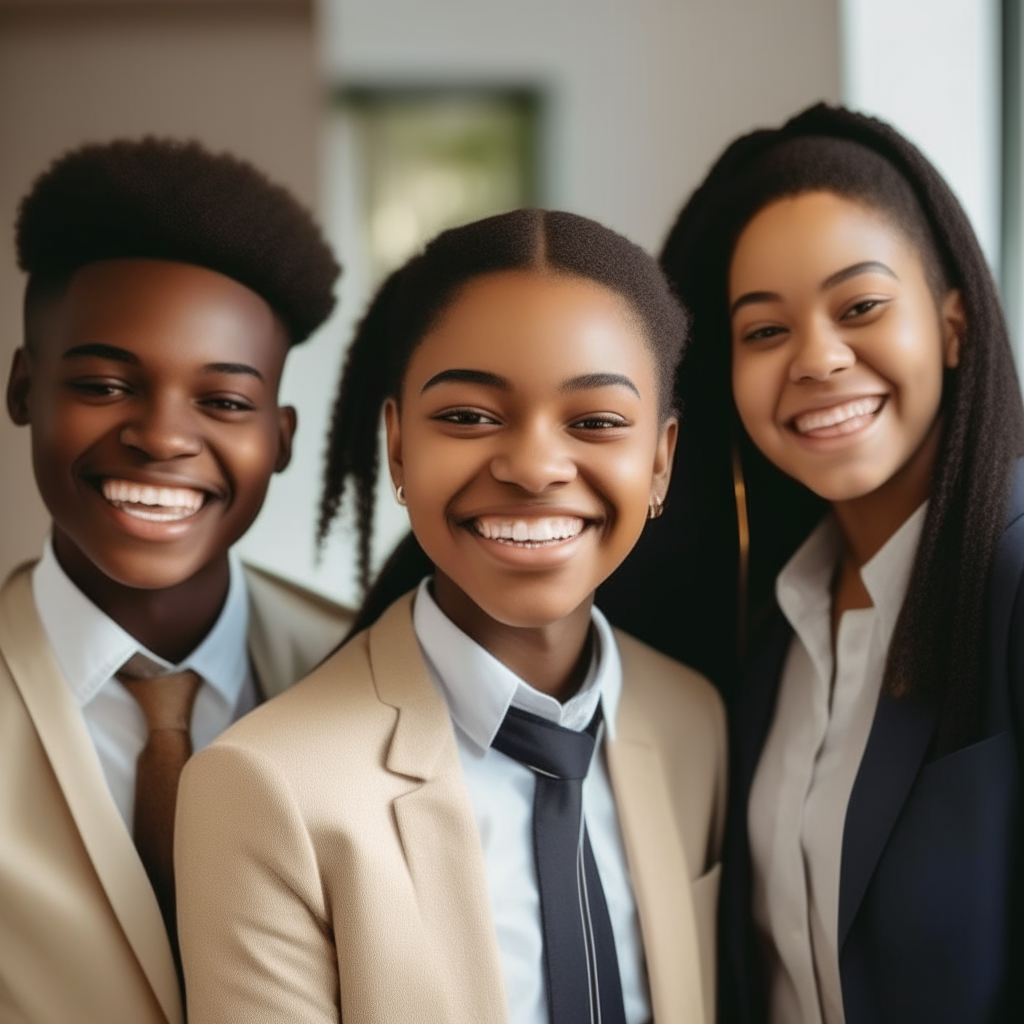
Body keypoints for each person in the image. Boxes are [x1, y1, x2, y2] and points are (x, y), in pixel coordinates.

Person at [174, 208, 727, 1024]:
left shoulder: (693, 722)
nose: (535, 466)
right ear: (397, 446)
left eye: (596, 422)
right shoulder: (265, 787)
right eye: (468, 416)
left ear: (660, 461)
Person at [602, 104, 1024, 1024]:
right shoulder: (770, 631)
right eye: (765, 332)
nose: (818, 359)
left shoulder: (1013, 579)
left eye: (861, 306)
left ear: (954, 325)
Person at [0, 138, 353, 1024]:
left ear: (280, 437)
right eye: (106, 383)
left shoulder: (368, 668)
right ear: (22, 390)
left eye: (224, 402)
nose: (161, 438)